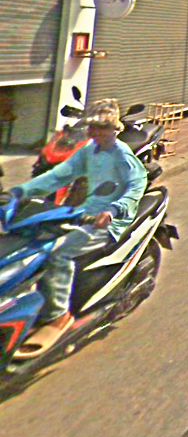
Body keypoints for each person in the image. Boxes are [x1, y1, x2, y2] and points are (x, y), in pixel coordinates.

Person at [8, 100, 148, 357]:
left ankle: (59, 315)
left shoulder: (122, 155)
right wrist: (20, 192)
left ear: (114, 129)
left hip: (110, 220)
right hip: (85, 212)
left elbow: (136, 188)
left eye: (101, 128)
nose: (95, 132)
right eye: (92, 127)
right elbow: (59, 176)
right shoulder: (90, 151)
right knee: (33, 241)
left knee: (58, 254)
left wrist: (113, 210)